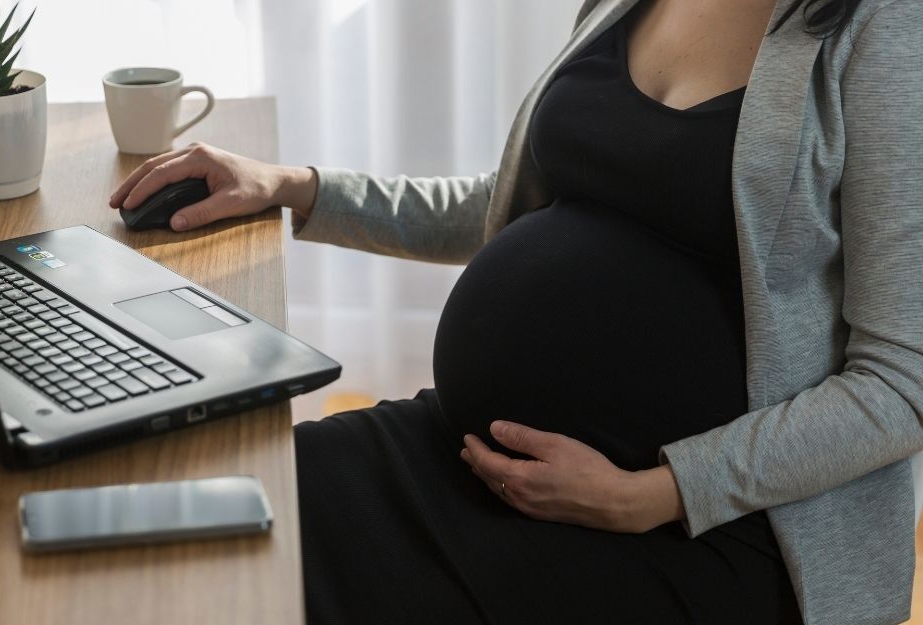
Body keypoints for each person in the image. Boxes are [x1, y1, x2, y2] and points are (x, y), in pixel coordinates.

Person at [109, 0, 923, 622]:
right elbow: (517, 205)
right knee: (201, 527)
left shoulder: (883, 31)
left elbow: (901, 382)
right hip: (465, 454)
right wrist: (300, 187)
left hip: (706, 530)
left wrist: (657, 492)